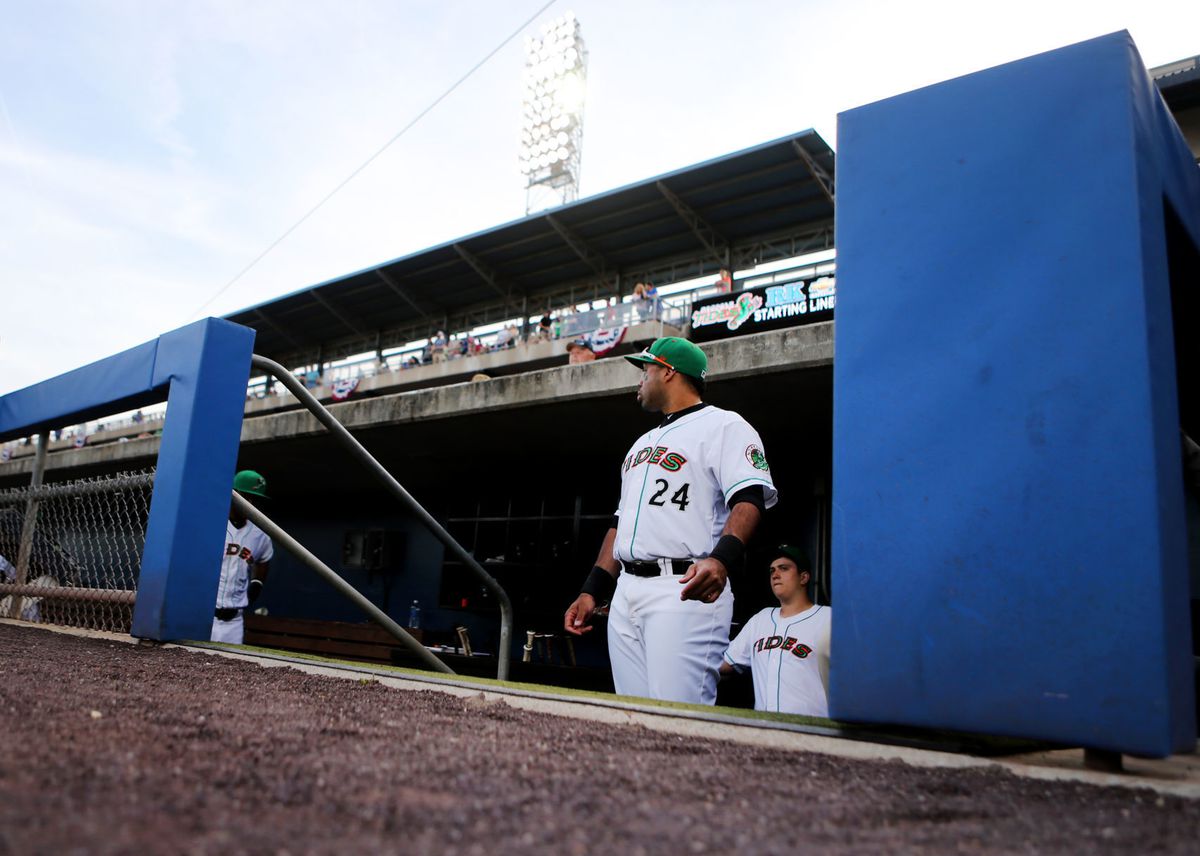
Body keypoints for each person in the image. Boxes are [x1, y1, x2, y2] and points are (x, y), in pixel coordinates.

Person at [563, 337, 777, 704]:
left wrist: (721, 559)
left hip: (683, 587)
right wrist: (592, 588)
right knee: (633, 718)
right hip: (626, 591)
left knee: (681, 718)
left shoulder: (725, 425)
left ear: (668, 371)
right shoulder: (640, 443)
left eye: (645, 369)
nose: (640, 379)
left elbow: (749, 498)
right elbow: (621, 522)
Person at [720, 545, 832, 717]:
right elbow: (723, 664)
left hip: (813, 728)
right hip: (764, 731)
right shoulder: (761, 619)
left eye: (784, 568)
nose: (775, 574)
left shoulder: (828, 617)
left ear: (804, 577)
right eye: (772, 570)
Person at [212, 470, 274, 645]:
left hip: (234, 621)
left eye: (256, 499)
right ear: (235, 494)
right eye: (247, 497)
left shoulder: (259, 534)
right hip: (205, 615)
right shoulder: (213, 524)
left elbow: (264, 558)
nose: (252, 503)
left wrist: (257, 583)